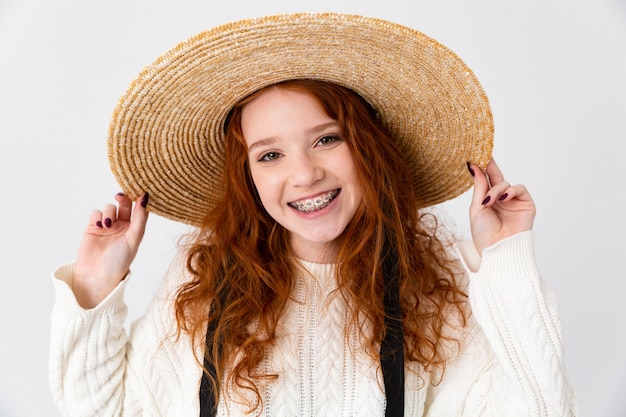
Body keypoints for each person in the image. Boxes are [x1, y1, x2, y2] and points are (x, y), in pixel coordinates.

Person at [49, 13, 578, 417]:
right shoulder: (205, 283)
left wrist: (505, 260)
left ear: (367, 148)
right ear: (247, 177)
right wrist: (96, 285)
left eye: (326, 139)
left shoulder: (440, 284)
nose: (303, 176)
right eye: (270, 155)